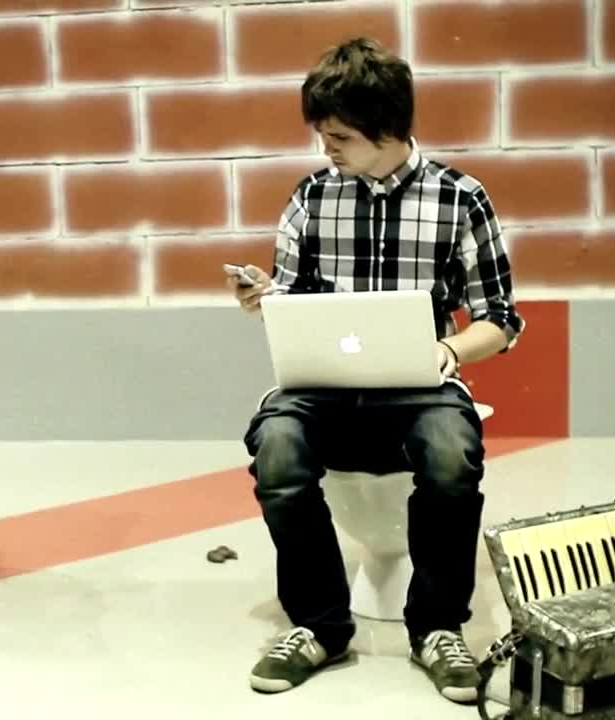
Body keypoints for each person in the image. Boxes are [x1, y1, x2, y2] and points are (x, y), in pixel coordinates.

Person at [230, 38, 524, 703]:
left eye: (340, 136)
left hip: (421, 386)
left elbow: (501, 319)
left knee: (451, 454)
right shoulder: (312, 197)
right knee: (275, 446)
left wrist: (450, 351)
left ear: (387, 128)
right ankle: (319, 625)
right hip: (323, 387)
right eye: (322, 134)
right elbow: (290, 299)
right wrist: (264, 299)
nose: (326, 148)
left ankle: (438, 627)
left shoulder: (460, 199)